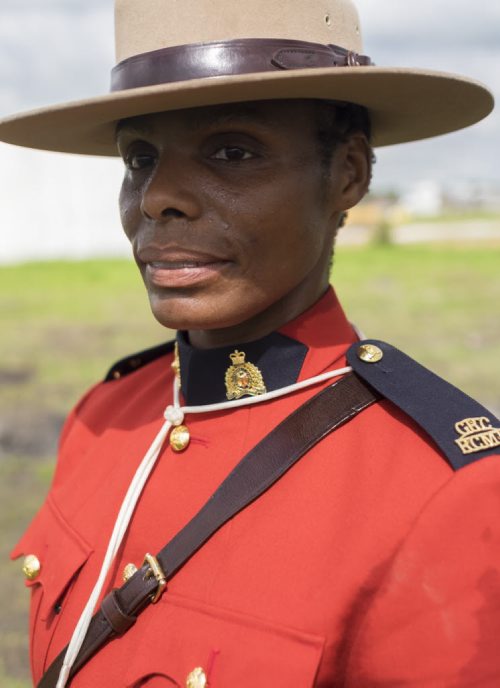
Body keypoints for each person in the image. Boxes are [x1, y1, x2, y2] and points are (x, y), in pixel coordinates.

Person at [2, 1, 500, 686]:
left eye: (232, 151)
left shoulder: (444, 492)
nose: (158, 198)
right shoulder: (106, 415)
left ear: (347, 175)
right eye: (139, 158)